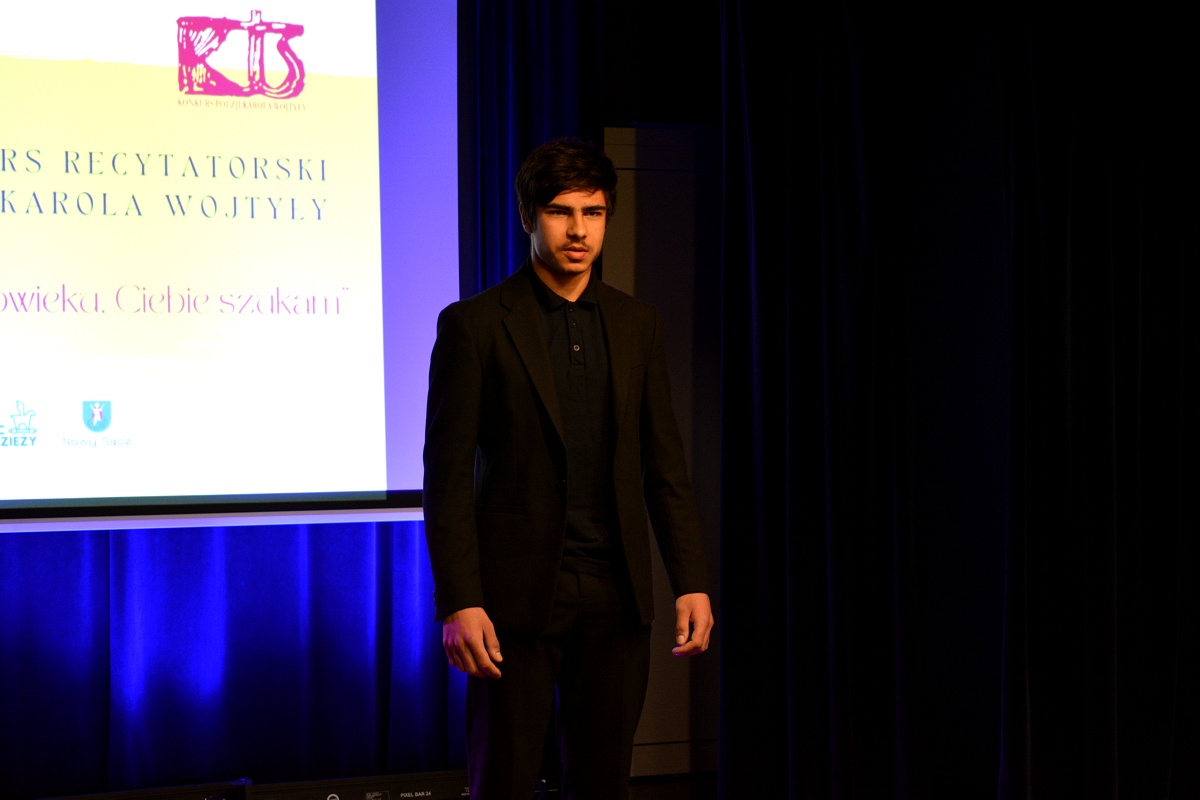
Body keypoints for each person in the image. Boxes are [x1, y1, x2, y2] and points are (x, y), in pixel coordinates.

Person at [423, 138, 713, 800]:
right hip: (514, 598)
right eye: (561, 211)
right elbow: (446, 476)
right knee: (502, 779)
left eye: (594, 212)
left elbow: (665, 467)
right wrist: (459, 600)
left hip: (616, 597)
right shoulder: (474, 326)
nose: (579, 230)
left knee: (604, 782)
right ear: (529, 216)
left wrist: (691, 581)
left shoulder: (638, 324)